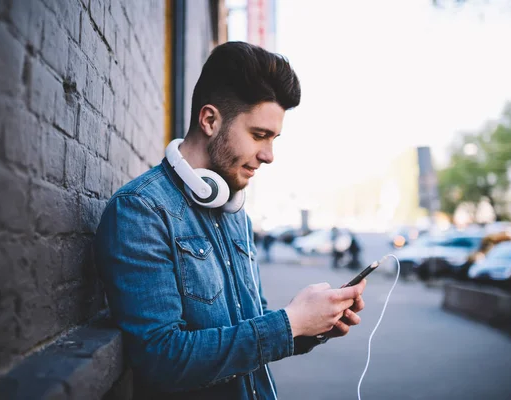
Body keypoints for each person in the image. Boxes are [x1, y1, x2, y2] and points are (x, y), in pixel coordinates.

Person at [94, 41, 367, 400]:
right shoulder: (140, 211)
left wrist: (314, 326)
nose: (269, 155)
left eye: (274, 138)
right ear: (209, 120)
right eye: (259, 135)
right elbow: (161, 358)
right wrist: (291, 321)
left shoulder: (235, 213)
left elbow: (252, 325)